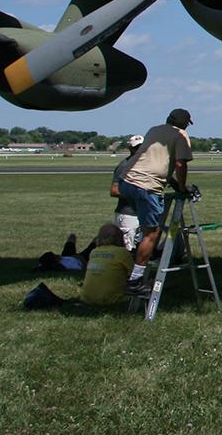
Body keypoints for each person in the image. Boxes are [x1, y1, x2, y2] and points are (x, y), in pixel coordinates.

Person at [118, 108, 194, 296]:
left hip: (127, 181)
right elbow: (179, 164)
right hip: (147, 186)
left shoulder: (154, 130)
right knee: (152, 234)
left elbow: (155, 161)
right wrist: (183, 188)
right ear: (185, 124)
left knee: (146, 231)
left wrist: (175, 184)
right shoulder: (181, 135)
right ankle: (135, 280)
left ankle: (137, 265)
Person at [78, 224, 132, 305]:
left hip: (87, 298)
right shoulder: (122, 253)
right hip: (111, 300)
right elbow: (135, 274)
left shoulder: (94, 251)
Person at [111, 134, 145, 250]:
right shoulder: (124, 166)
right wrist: (136, 194)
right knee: (127, 249)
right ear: (130, 148)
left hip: (142, 213)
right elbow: (114, 191)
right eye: (137, 147)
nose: (140, 150)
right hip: (128, 214)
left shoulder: (145, 165)